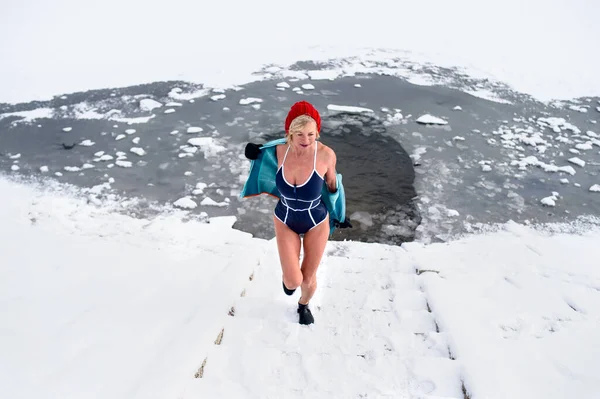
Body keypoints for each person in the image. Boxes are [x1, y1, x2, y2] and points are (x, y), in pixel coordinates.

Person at [241, 101, 352, 325]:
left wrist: (339, 214)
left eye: (311, 134)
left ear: (317, 132)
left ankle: (303, 305)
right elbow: (261, 156)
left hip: (316, 220)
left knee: (308, 278)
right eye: (299, 134)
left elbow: (333, 187)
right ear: (289, 132)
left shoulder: (326, 155)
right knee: (293, 281)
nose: (305, 140)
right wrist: (253, 153)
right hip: (286, 219)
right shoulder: (278, 150)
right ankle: (290, 283)